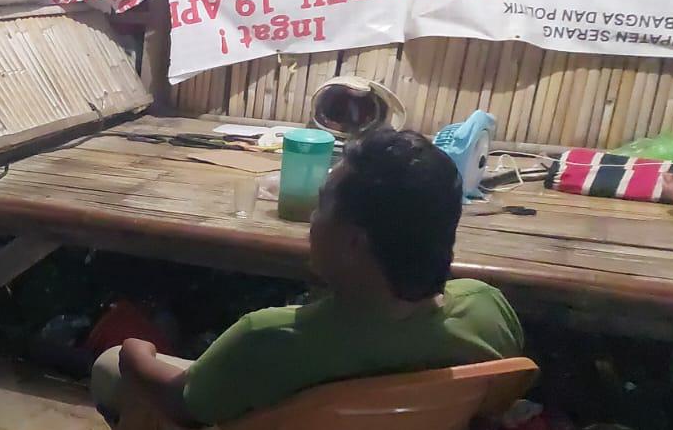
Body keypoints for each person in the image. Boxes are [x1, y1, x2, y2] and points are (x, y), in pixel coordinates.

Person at [91, 128, 525, 428]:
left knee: (109, 367)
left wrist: (134, 353)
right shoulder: (488, 310)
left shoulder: (268, 338)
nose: (313, 220)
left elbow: (182, 404)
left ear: (354, 242)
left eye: (322, 206)